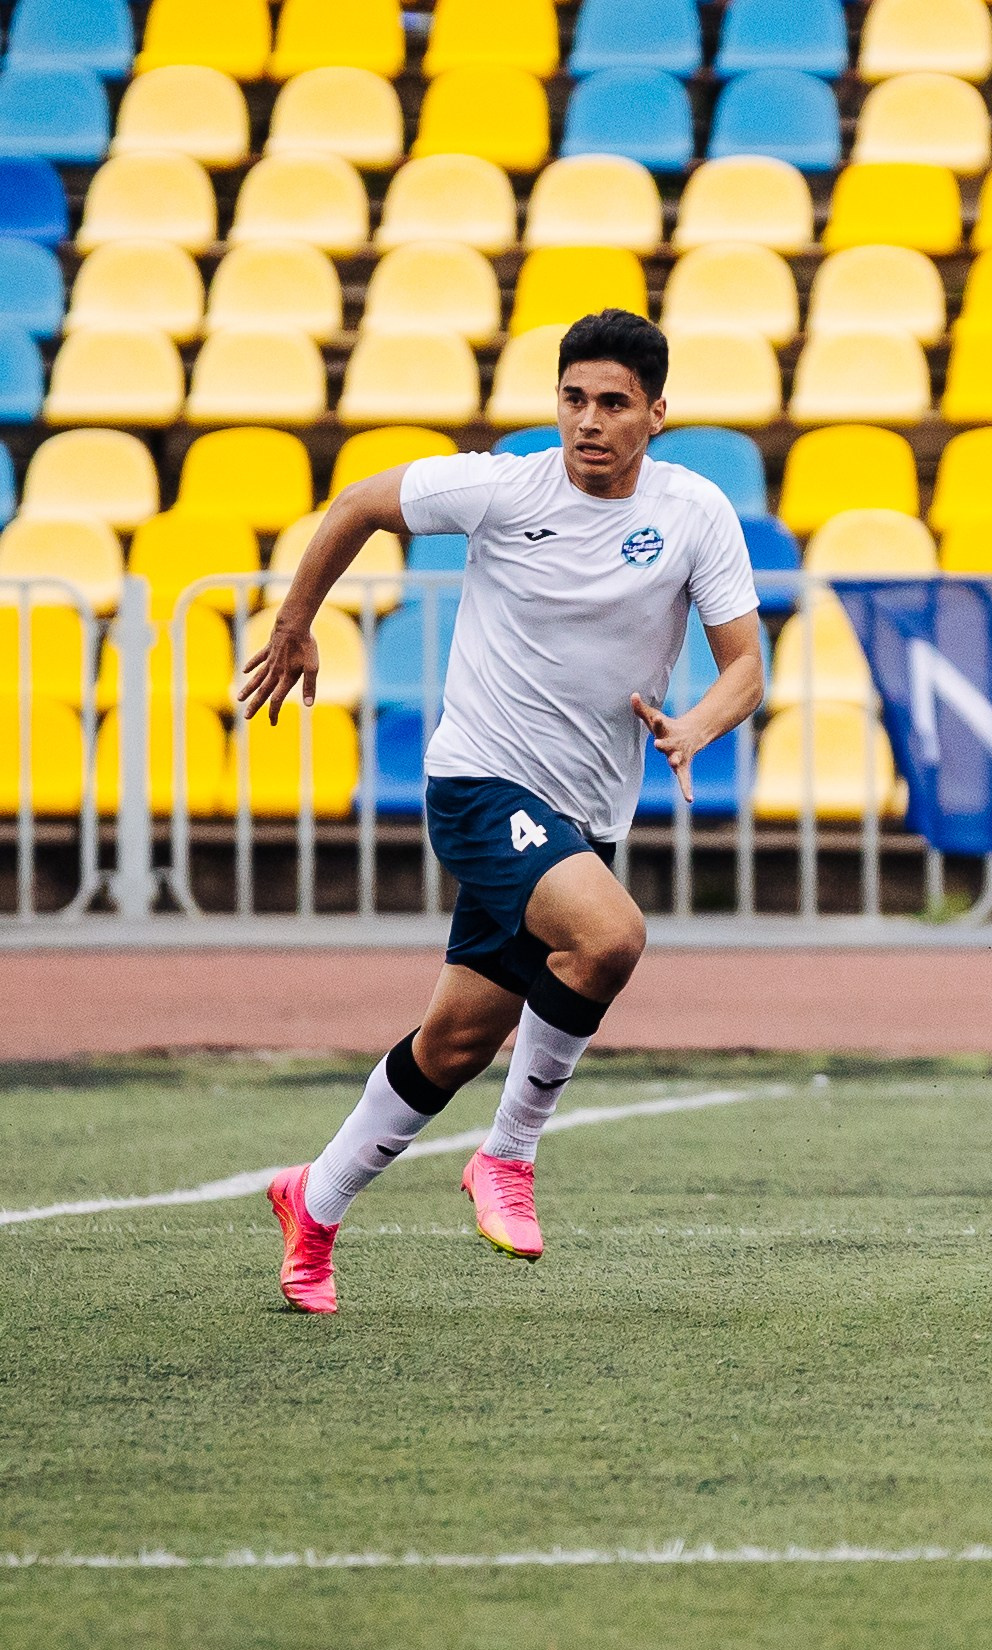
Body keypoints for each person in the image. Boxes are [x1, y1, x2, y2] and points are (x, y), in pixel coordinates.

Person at [245, 310, 764, 1312]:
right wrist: (296, 623)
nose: (589, 421)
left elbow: (745, 667)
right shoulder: (499, 486)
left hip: (579, 813)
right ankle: (508, 1157)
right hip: (480, 783)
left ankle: (313, 1201)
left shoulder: (694, 513)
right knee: (610, 937)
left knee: (454, 1042)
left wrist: (693, 725)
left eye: (614, 403)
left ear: (657, 413)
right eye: (574, 399)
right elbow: (357, 503)